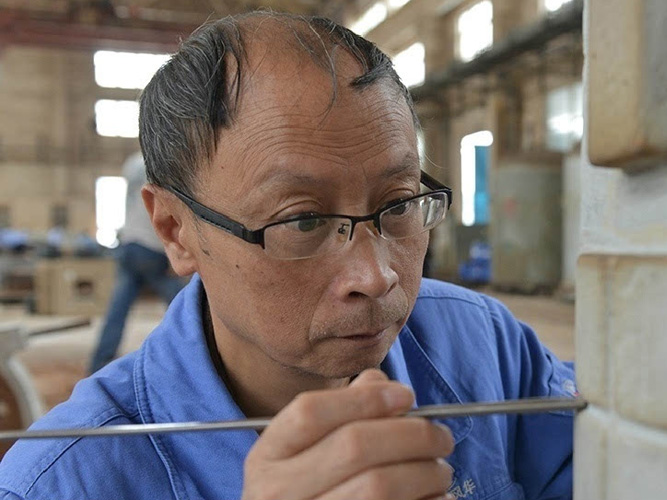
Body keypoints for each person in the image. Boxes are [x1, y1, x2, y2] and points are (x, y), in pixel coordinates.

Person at [0, 12, 576, 500]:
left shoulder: (486, 348)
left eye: (399, 204)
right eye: (303, 220)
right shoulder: (66, 481)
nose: (376, 276)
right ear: (175, 230)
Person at [87, 152, 185, 374]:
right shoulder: (165, 159)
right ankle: (191, 359)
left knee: (117, 311)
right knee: (184, 306)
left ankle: (98, 365)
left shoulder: (131, 163)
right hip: (151, 247)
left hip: (129, 245)